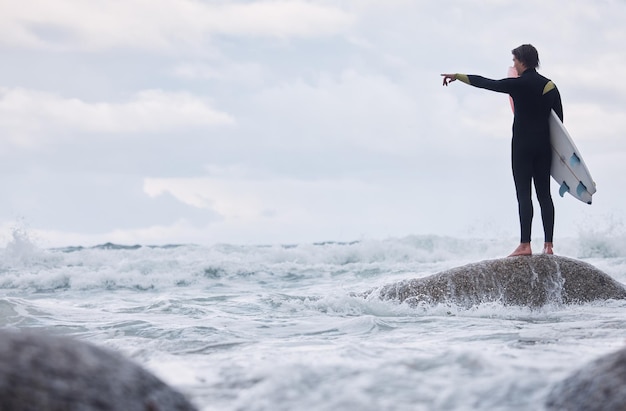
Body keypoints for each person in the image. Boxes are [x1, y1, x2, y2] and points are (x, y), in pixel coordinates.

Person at [441, 44, 563, 257]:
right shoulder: (550, 86)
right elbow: (559, 123)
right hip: (543, 147)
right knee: (545, 195)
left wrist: (458, 76)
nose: (513, 64)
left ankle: (525, 245)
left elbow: (487, 83)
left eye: (515, 60)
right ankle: (549, 245)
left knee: (524, 194)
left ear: (523, 61)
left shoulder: (518, 85)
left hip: (522, 146)